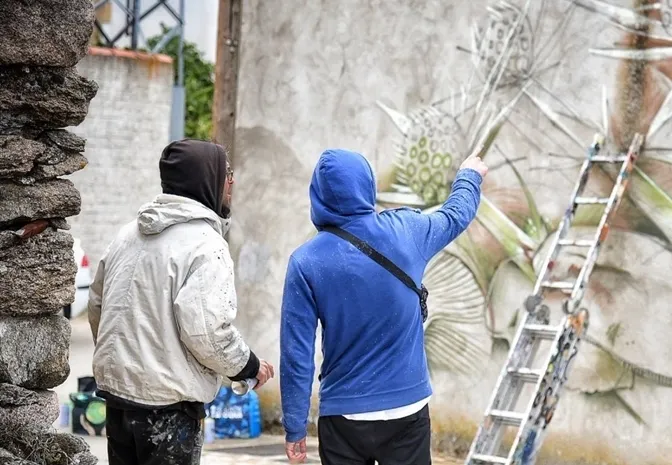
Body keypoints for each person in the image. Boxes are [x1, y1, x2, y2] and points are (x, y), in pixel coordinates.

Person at [280, 149, 487, 464]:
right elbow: (454, 215)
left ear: (317, 195)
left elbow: (296, 355)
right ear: (367, 184)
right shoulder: (407, 231)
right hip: (407, 410)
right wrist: (469, 176)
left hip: (343, 416)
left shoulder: (305, 262)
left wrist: (295, 427)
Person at [87, 139, 275, 465]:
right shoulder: (205, 245)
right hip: (169, 411)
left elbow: (97, 308)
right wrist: (248, 366)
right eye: (227, 173)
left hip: (119, 400)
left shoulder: (126, 235)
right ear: (206, 179)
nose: (231, 182)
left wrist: (127, 362)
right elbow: (208, 332)